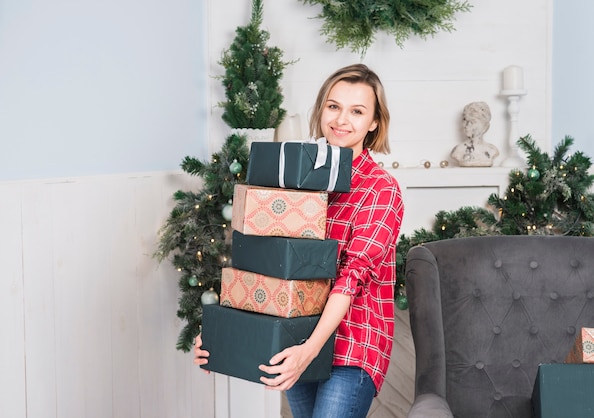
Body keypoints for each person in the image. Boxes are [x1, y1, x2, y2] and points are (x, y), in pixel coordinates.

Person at [194, 63, 404, 418]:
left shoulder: (381, 190)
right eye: (333, 106)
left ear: (373, 123)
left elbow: (352, 277)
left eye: (357, 111)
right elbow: (263, 263)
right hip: (296, 329)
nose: (341, 119)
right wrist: (220, 336)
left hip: (353, 342)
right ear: (321, 108)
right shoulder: (297, 179)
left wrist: (309, 350)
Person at [450, 101, 499, 167]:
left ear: (485, 126)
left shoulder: (492, 150)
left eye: (472, 121)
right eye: (465, 120)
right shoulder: (458, 151)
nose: (467, 125)